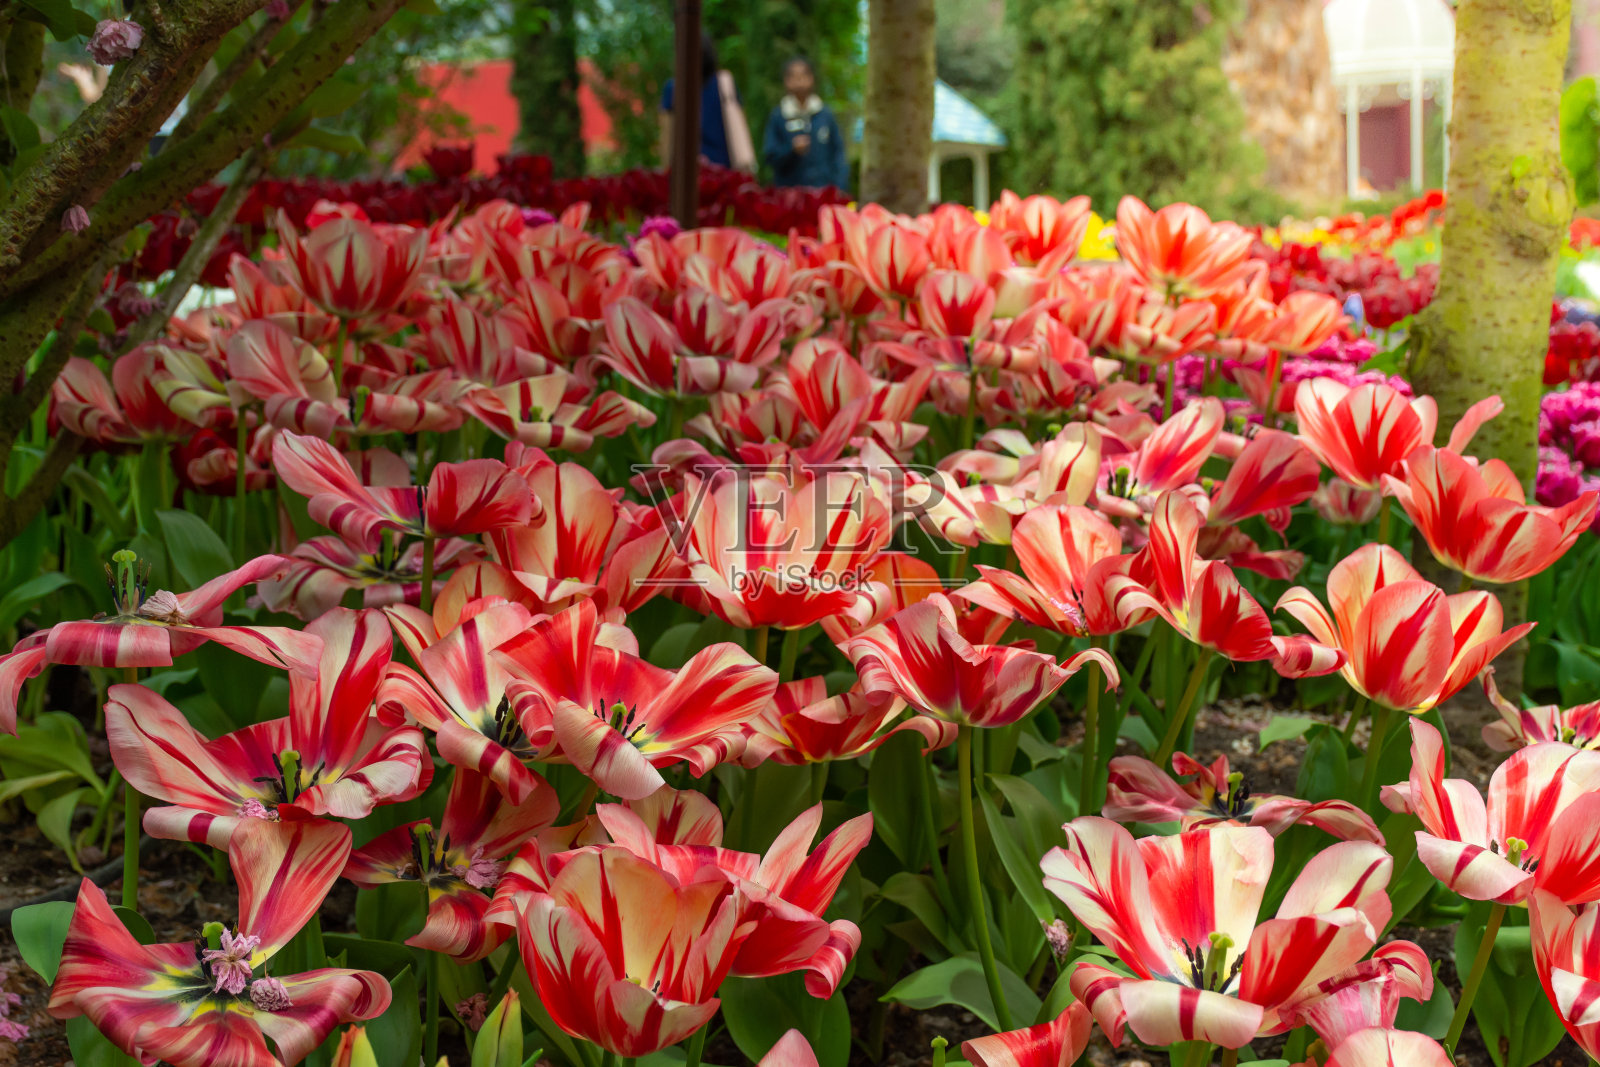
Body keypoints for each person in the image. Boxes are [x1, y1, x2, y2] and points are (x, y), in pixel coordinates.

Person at [659, 34, 756, 173]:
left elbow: (667, 137)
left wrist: (666, 170)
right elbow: (741, 122)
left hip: (687, 172)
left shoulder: (674, 87)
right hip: (724, 169)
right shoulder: (724, 83)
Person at [762, 56, 849, 191]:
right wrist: (791, 150)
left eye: (803, 75)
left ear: (812, 78)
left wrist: (839, 187)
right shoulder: (778, 116)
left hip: (822, 191)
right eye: (794, 76)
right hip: (790, 194)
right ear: (786, 80)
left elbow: (838, 154)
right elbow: (770, 156)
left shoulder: (824, 114)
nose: (799, 80)